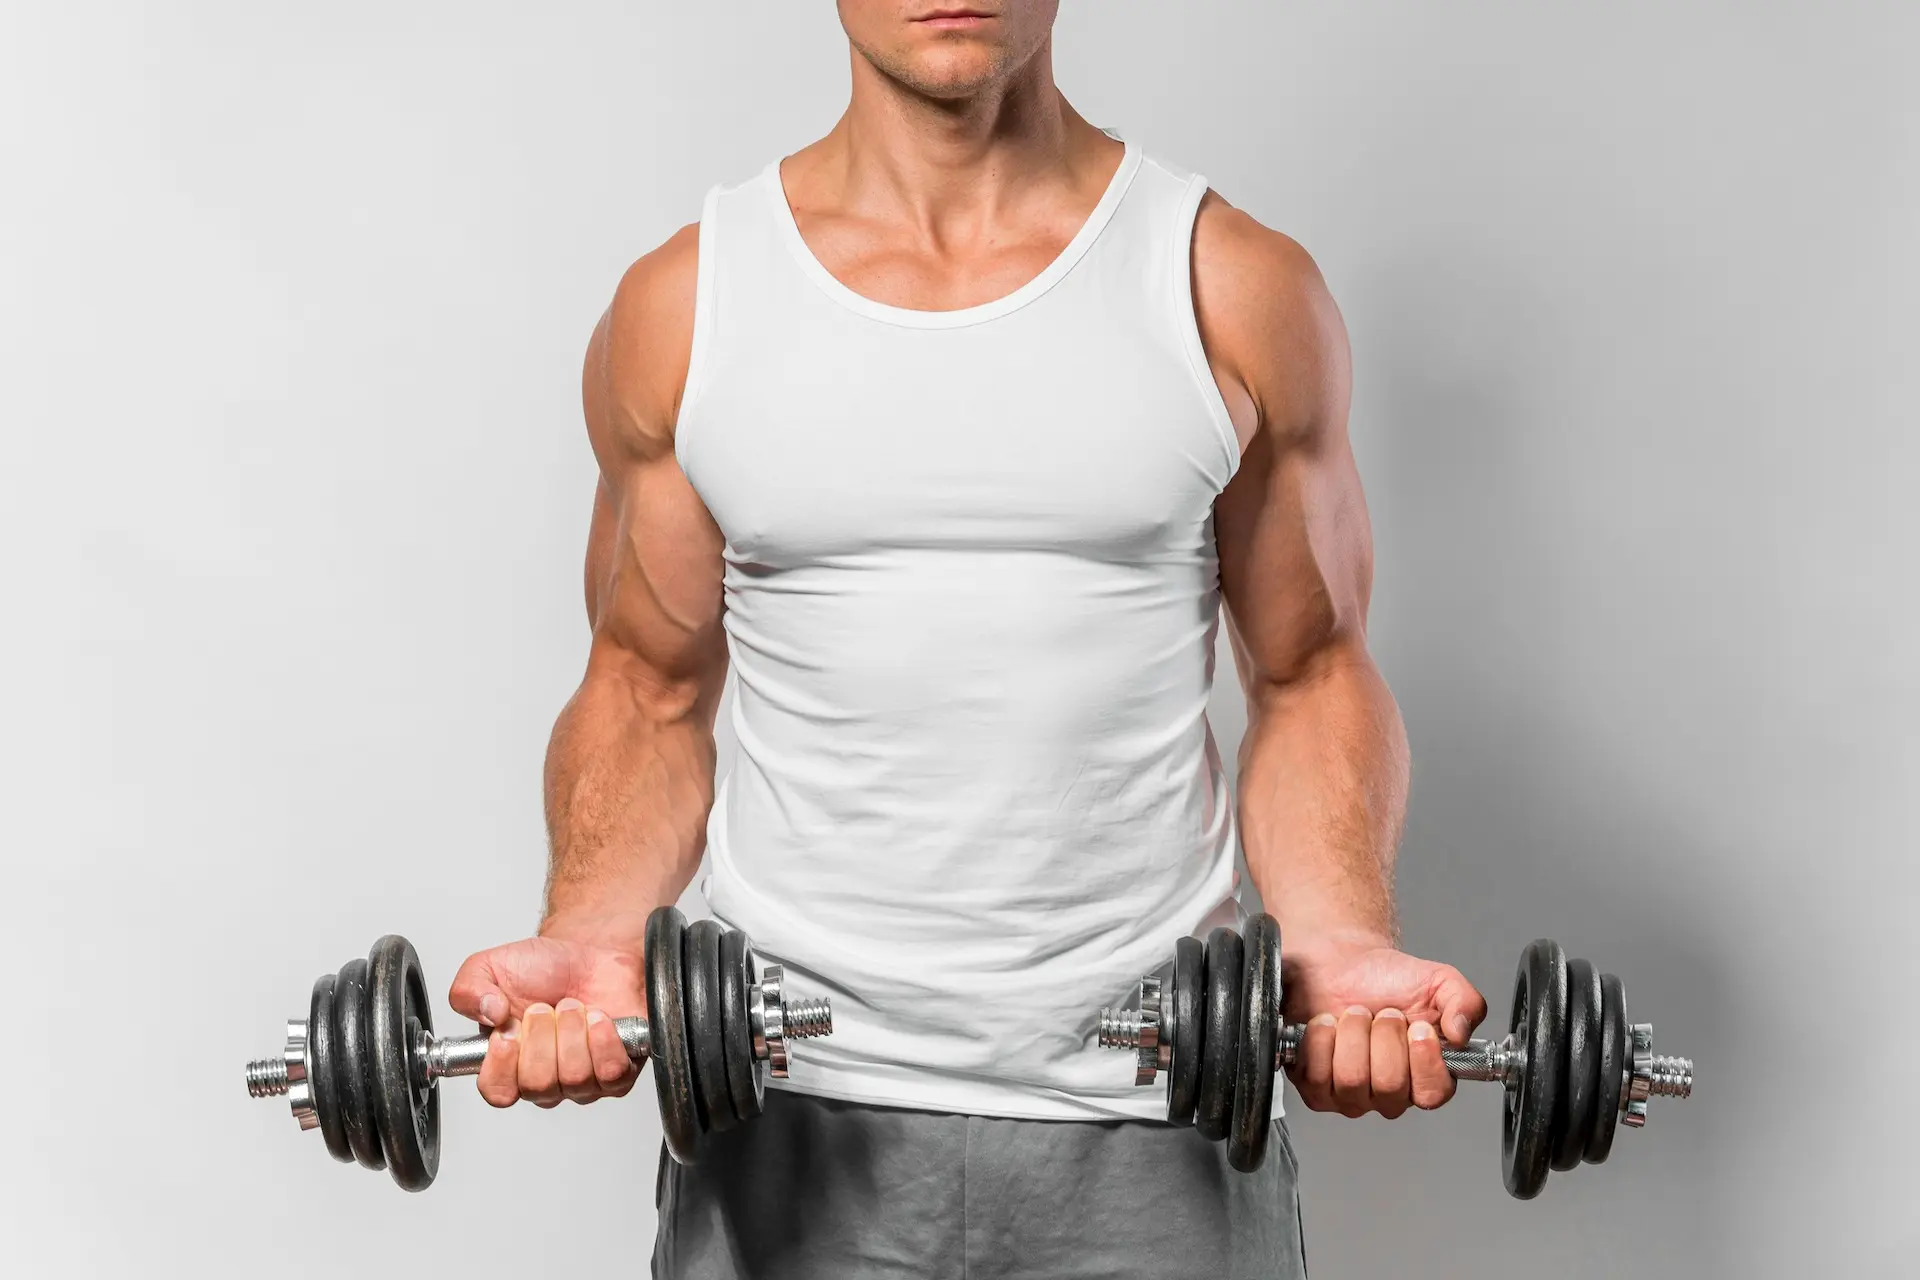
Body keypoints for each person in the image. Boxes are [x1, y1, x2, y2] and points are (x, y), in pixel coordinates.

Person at [449, 3, 1488, 1275]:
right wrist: (594, 927)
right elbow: (644, 685)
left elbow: (1314, 668)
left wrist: (1339, 938)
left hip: (1154, 1116)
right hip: (787, 1115)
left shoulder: (1229, 285)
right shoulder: (690, 306)